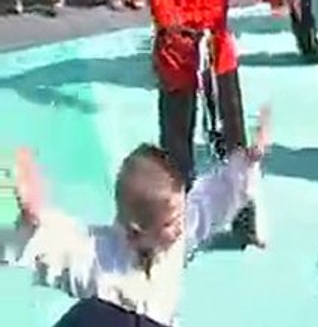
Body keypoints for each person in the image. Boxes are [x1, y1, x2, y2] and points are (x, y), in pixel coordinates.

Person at [1, 108, 272, 326]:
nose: (180, 228)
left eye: (180, 217)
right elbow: (55, 244)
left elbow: (212, 200)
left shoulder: (175, 237)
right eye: (169, 224)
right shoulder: (97, 256)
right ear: (134, 231)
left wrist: (246, 162)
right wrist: (31, 219)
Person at [147, 0, 285, 246]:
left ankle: (244, 218)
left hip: (218, 54)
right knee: (176, 151)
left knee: (236, 144)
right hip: (179, 58)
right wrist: (176, 27)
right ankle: (174, 228)